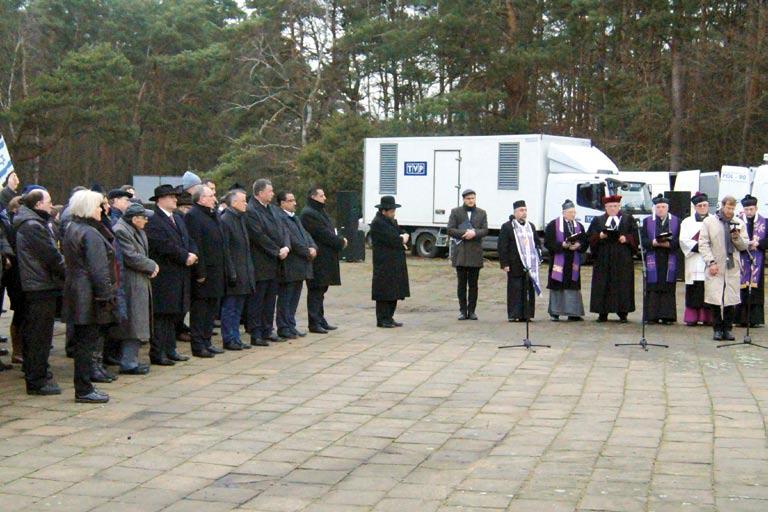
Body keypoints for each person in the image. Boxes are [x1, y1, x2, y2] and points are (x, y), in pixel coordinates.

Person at [62, 190, 118, 403]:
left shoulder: (72, 228)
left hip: (76, 289)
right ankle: (84, 388)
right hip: (89, 294)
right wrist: (106, 296)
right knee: (87, 343)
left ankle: (83, 386)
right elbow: (98, 269)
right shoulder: (90, 233)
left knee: (82, 342)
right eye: (97, 206)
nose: (101, 210)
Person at [14, 188, 66, 395]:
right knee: (39, 336)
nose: (51, 205)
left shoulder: (32, 223)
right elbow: (51, 256)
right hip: (40, 285)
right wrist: (67, 271)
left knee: (37, 334)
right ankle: (37, 379)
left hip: (39, 284)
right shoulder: (33, 226)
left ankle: (37, 373)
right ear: (37, 205)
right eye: (48, 201)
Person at [145, 184, 198, 365]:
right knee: (161, 317)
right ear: (160, 200)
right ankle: (158, 352)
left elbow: (188, 239)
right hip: (165, 277)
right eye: (171, 197)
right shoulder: (154, 221)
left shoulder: (177, 218)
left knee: (174, 315)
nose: (176, 199)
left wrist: (193, 253)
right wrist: (185, 256)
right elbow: (163, 245)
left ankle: (170, 349)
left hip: (180, 274)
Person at [112, 203, 158, 374]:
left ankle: (131, 360)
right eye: (144, 217)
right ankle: (128, 362)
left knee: (138, 322)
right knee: (133, 323)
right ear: (135, 219)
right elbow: (131, 256)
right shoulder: (121, 231)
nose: (146, 221)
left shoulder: (138, 231)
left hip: (139, 280)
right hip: (129, 282)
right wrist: (151, 265)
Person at [245, 178, 290, 346]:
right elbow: (258, 236)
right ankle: (256, 333)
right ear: (260, 193)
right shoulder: (252, 210)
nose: (272, 194)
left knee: (271, 298)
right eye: (269, 191)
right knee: (258, 300)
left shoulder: (271, 209)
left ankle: (267, 329)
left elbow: (283, 228)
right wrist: (277, 250)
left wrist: (286, 246)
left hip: (274, 262)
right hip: (261, 262)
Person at [184, 185, 227, 358]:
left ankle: (207, 341)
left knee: (211, 309)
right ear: (201, 199)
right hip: (204, 272)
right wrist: (199, 272)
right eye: (211, 196)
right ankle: (198, 344)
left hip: (216, 270)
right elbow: (196, 244)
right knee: (200, 310)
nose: (214, 198)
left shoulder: (212, 214)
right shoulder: (193, 216)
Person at [699, 196, 749, 341]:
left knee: (730, 298)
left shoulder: (739, 223)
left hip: (732, 265)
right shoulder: (709, 222)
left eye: (733, 208)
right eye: (728, 208)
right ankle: (717, 328)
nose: (730, 211)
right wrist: (710, 262)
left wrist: (737, 238)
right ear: (722, 206)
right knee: (715, 297)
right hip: (716, 263)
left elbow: (744, 245)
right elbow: (703, 243)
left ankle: (727, 328)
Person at [300, 187, 346, 333]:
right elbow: (322, 233)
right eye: (322, 195)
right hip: (318, 258)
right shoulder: (308, 214)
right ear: (313, 197)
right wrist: (340, 242)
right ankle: (314, 322)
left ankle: (320, 319)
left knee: (322, 289)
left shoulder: (319, 211)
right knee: (316, 289)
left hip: (326, 257)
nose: (325, 198)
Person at [587, 195, 638, 322]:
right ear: (605, 207)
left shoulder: (628, 219)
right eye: (610, 206)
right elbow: (590, 237)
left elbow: (636, 236)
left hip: (622, 257)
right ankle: (602, 312)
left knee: (623, 284)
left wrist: (626, 239)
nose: (613, 208)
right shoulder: (598, 220)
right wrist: (600, 236)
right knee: (603, 284)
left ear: (619, 206)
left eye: (615, 206)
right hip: (603, 257)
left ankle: (623, 312)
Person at [275, 191, 317, 339]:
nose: (294, 203)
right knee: (286, 298)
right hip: (290, 265)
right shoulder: (280, 218)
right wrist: (307, 251)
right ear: (282, 203)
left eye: (294, 200)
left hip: (300, 266)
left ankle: (291, 325)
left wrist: (313, 247)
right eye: (290, 200)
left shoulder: (295, 218)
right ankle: (284, 326)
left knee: (294, 298)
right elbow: (291, 240)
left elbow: (306, 235)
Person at [220, 189, 255, 351]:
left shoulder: (240, 219)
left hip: (244, 270)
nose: (246, 204)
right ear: (234, 203)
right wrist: (231, 272)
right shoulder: (226, 220)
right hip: (234, 272)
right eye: (243, 201)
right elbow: (225, 250)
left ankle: (236, 337)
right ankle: (229, 338)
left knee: (238, 307)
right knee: (230, 307)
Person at [447, 189, 488, 320]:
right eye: (468, 198)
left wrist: (475, 233)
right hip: (461, 253)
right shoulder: (456, 212)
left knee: (474, 285)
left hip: (475, 254)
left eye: (473, 198)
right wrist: (465, 233)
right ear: (464, 199)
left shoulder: (482, 213)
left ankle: (472, 311)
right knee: (461, 284)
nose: (471, 200)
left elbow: (485, 230)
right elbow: (450, 229)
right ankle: (462, 311)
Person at [498, 200, 542, 322]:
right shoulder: (507, 227)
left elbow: (537, 242)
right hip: (514, 264)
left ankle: (527, 314)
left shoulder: (530, 226)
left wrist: (538, 255)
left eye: (525, 210)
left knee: (528, 289)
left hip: (529, 264)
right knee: (515, 289)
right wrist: (504, 263)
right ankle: (514, 313)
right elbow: (502, 246)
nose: (524, 213)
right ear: (515, 212)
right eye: (521, 210)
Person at [544, 199, 586, 321]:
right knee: (558, 285)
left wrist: (578, 245)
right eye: (571, 212)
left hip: (573, 260)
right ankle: (555, 312)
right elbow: (548, 242)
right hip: (559, 259)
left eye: (574, 212)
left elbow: (584, 240)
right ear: (564, 213)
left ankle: (573, 312)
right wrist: (561, 245)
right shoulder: (553, 225)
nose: (573, 215)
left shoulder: (579, 226)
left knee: (572, 286)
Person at [370, 196, 410, 327]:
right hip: (384, 262)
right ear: (384, 211)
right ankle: (382, 319)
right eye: (392, 211)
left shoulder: (391, 221)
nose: (394, 213)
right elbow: (392, 239)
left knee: (394, 290)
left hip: (394, 262)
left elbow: (400, 232)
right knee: (384, 292)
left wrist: (403, 235)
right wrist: (402, 239)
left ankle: (390, 317)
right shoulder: (378, 223)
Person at [642, 195, 680, 324]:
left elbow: (679, 240)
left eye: (663, 207)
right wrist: (653, 242)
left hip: (669, 257)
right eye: (658, 207)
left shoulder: (676, 221)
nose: (661, 209)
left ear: (667, 208)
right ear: (654, 208)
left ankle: (667, 316)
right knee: (652, 286)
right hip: (653, 256)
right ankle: (651, 316)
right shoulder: (647, 221)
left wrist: (669, 244)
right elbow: (642, 239)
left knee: (668, 286)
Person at [680, 192, 714, 326]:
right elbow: (683, 240)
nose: (703, 208)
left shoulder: (714, 220)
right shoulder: (687, 222)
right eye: (700, 205)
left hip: (710, 260)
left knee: (709, 289)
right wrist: (701, 247)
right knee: (694, 290)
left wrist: (708, 248)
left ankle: (708, 317)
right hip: (694, 260)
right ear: (695, 207)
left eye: (705, 205)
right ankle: (692, 317)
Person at [735, 194, 768, 327]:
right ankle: (740, 318)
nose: (749, 212)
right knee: (741, 289)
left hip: (757, 259)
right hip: (742, 258)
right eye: (747, 209)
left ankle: (754, 319)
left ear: (756, 208)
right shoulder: (737, 222)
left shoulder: (765, 222)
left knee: (755, 290)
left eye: (751, 209)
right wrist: (744, 244)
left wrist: (759, 243)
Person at [1, 195, 23, 364]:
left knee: (21, 312)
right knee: (20, 312)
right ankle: (17, 351)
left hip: (14, 272)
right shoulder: (14, 224)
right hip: (14, 274)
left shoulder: (10, 223)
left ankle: (19, 351)